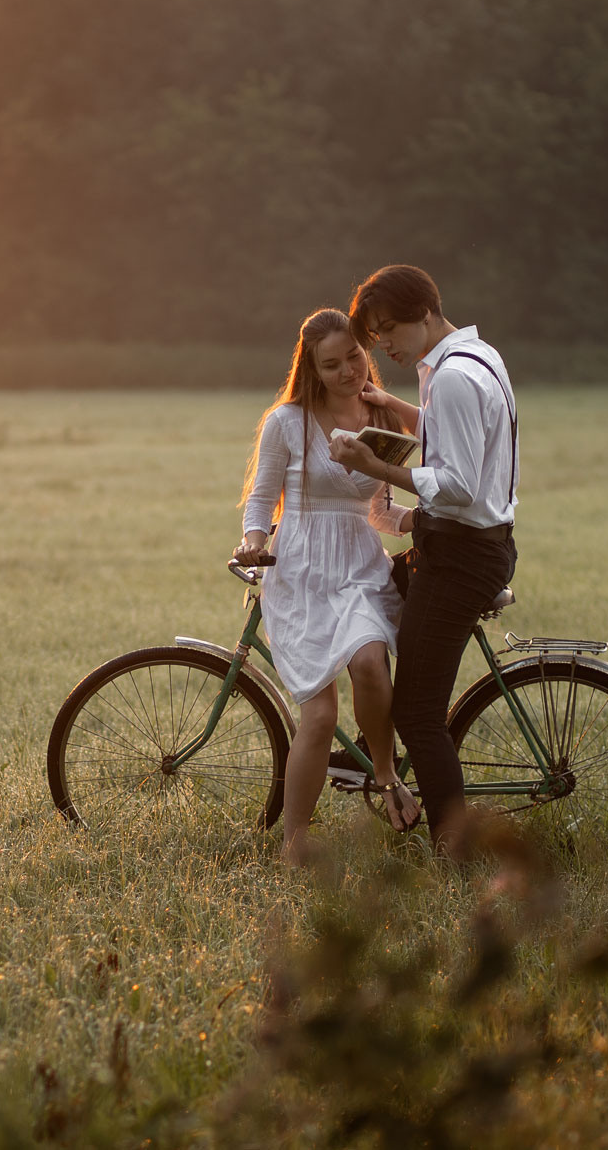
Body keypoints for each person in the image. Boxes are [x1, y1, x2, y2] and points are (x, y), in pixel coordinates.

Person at [330, 265, 518, 858]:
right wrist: (390, 404)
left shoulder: (456, 378)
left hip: (461, 556)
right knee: (377, 597)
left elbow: (456, 484)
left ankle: (452, 850)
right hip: (469, 544)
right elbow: (451, 436)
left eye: (389, 330)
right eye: (375, 334)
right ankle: (367, 745)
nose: (383, 344)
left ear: (427, 314)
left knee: (419, 712)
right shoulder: (474, 358)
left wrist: (374, 467)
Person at [235, 308, 422, 865]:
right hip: (299, 572)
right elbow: (262, 495)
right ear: (312, 368)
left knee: (369, 661)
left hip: (359, 567)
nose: (347, 371)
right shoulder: (287, 421)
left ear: (367, 354)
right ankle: (295, 844)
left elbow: (381, 511)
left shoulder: (382, 418)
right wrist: (251, 538)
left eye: (355, 358)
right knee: (317, 716)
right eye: (332, 364)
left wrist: (424, 520)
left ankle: (385, 776)